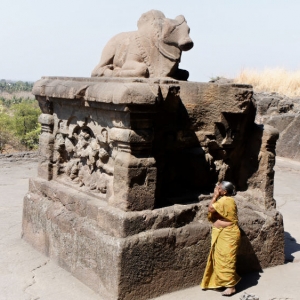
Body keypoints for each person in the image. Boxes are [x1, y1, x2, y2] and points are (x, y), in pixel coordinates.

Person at [200, 181, 241, 297]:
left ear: (224, 192)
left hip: (229, 235)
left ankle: (231, 287)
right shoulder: (225, 201)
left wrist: (214, 196)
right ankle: (222, 282)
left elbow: (211, 209)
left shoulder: (226, 201)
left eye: (218, 188)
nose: (217, 189)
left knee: (227, 260)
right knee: (220, 259)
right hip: (223, 234)